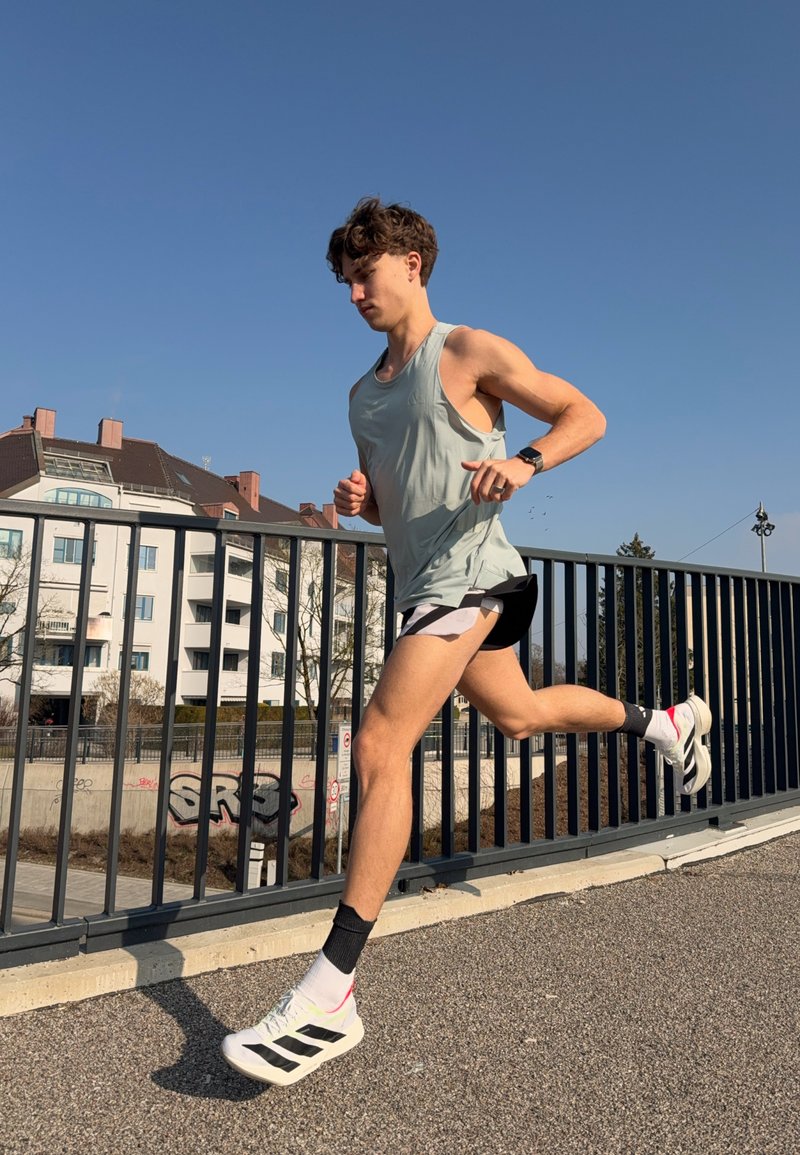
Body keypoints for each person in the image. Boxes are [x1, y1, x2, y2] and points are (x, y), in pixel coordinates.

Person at [221, 197, 712, 1086]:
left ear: (413, 262)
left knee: (379, 742)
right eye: (345, 278)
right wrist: (369, 505)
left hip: (477, 578)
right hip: (425, 587)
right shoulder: (361, 397)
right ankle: (662, 722)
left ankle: (332, 988)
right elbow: (401, 501)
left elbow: (586, 415)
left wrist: (523, 460)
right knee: (519, 717)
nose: (355, 290)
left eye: (366, 270)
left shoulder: (468, 351)